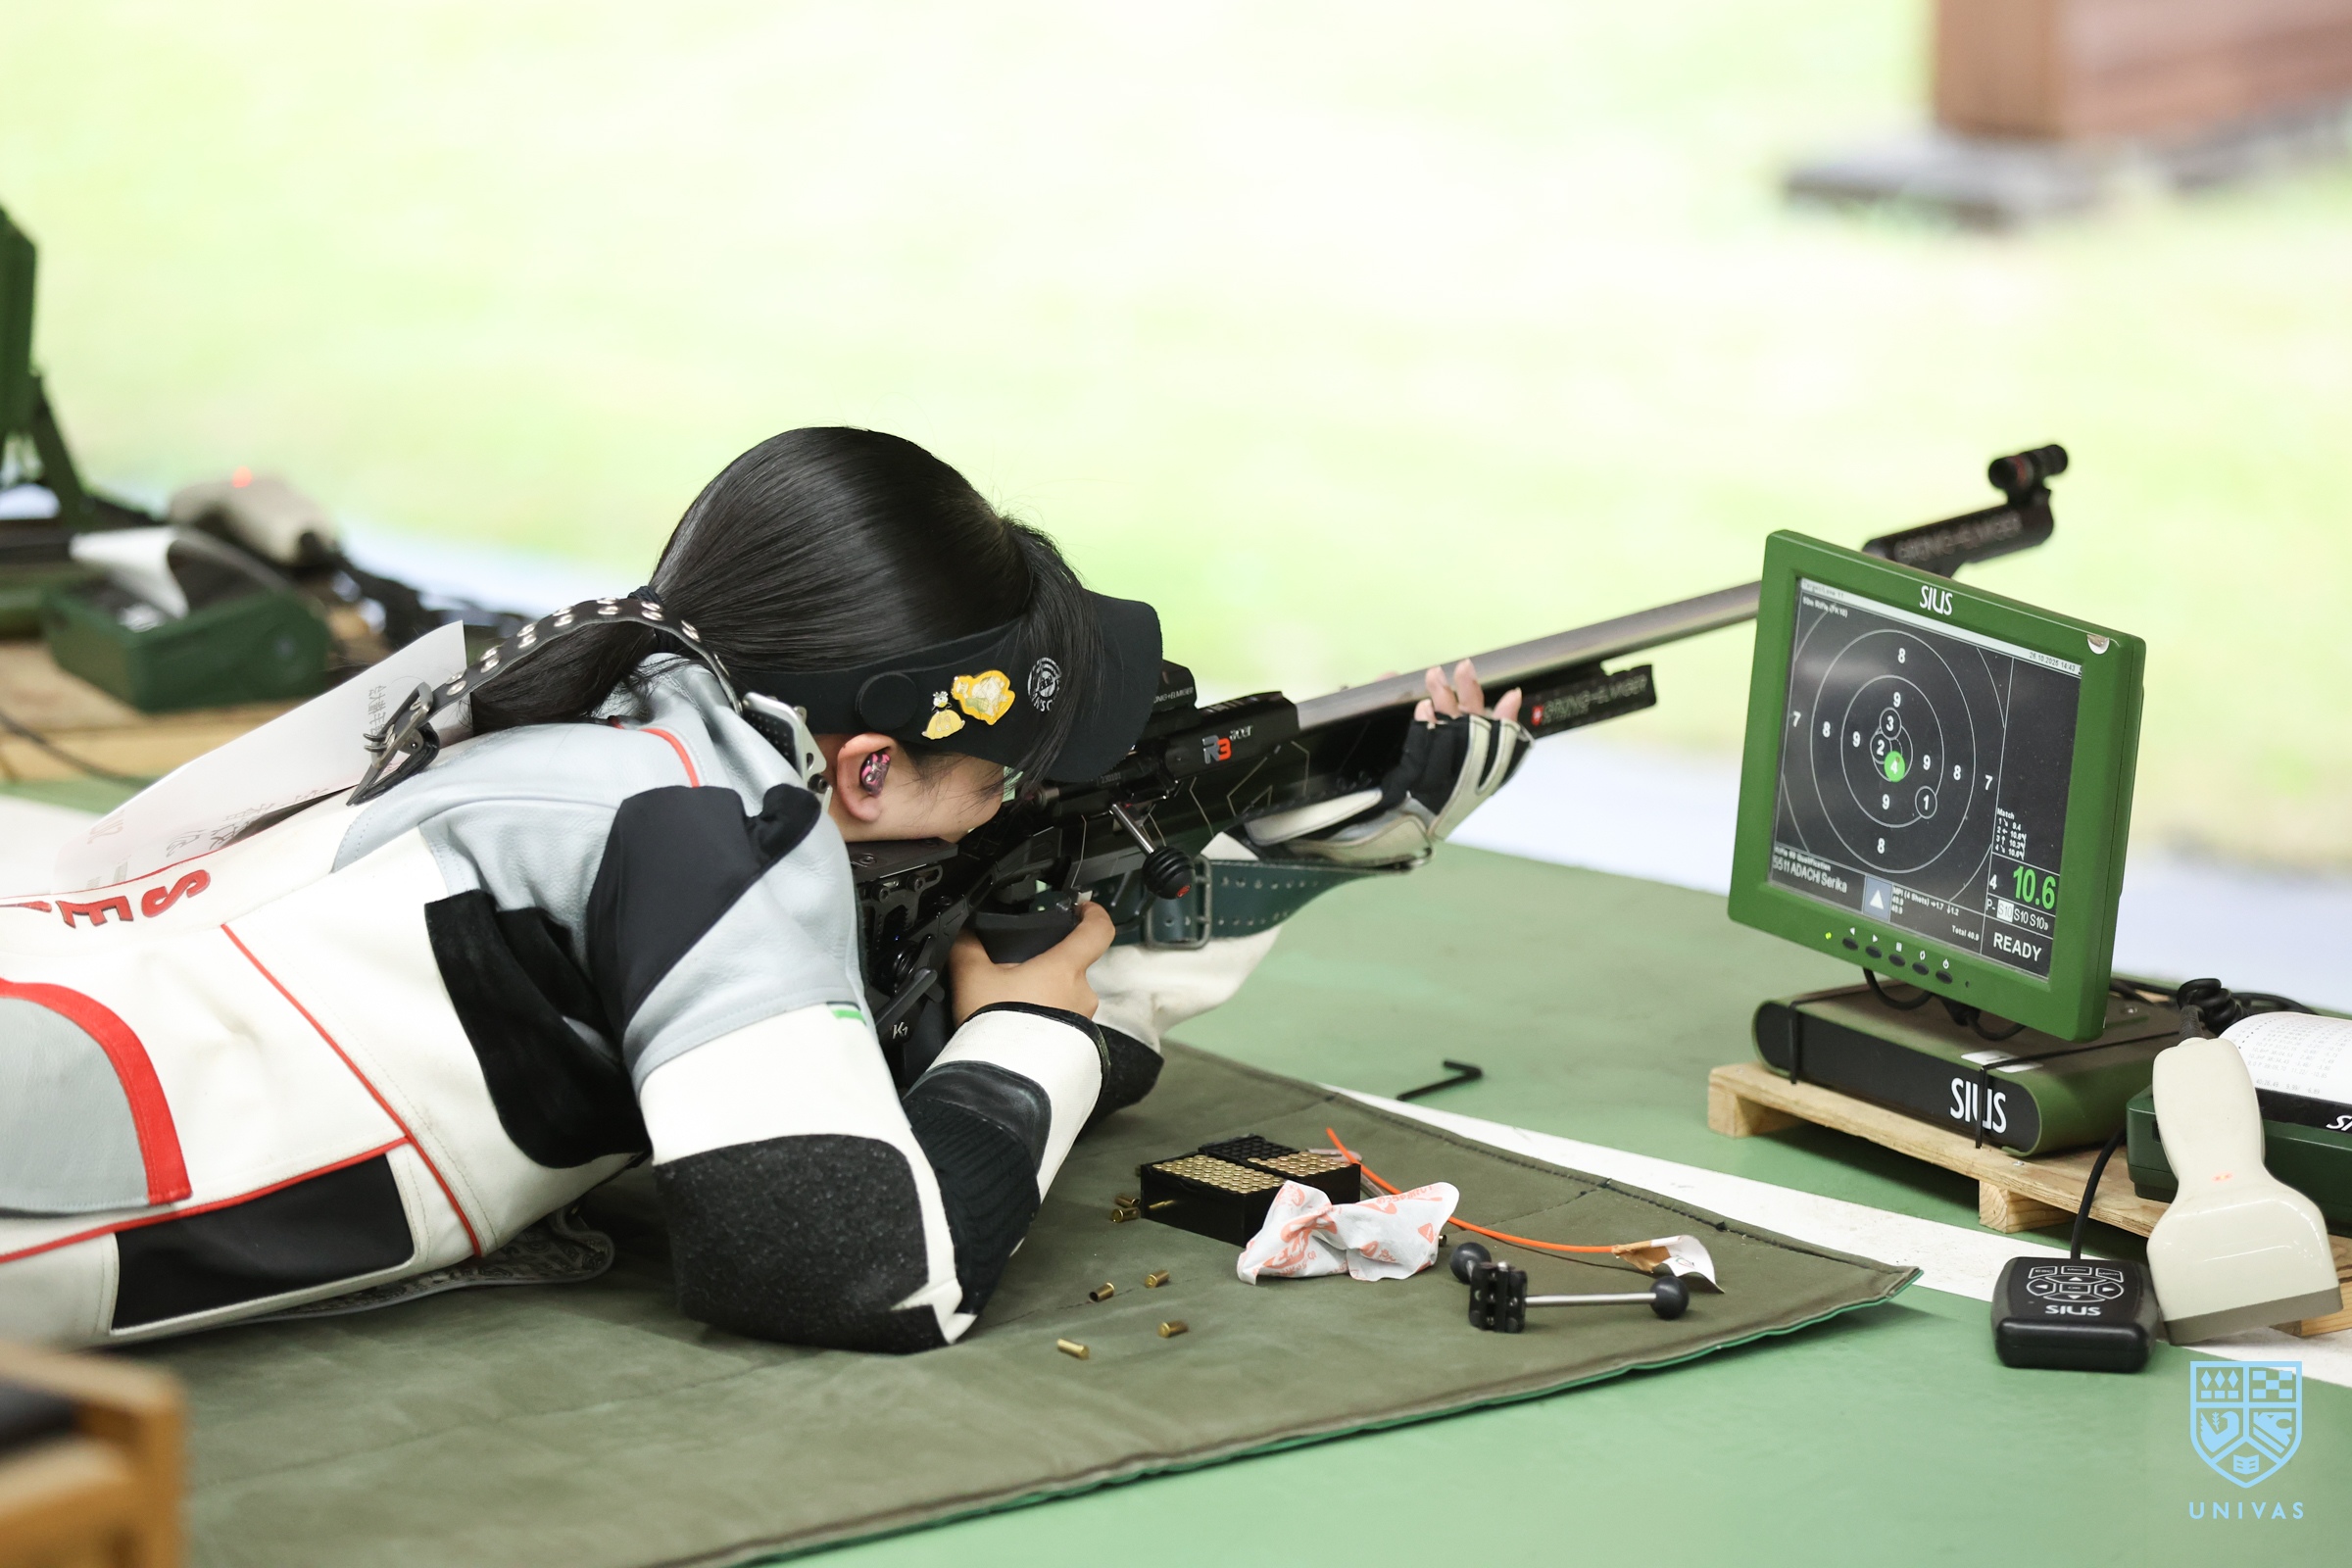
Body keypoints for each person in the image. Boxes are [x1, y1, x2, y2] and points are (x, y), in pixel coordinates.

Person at [0, 428, 1527, 1351]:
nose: (1012, 811)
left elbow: (857, 1036)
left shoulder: (602, 706)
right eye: (1001, 781)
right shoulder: (714, 830)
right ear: (867, 770)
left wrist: (1306, 851)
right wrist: (1038, 1035)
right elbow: (857, 1268)